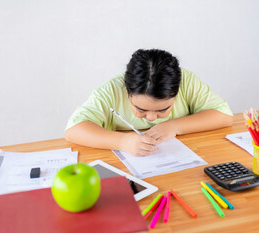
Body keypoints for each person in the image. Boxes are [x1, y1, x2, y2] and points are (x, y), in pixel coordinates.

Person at [65, 49, 233, 156]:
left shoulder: (187, 81)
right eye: (141, 109)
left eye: (163, 109)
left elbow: (224, 115)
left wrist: (174, 126)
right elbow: (73, 130)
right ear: (127, 90)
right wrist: (122, 142)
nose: (152, 117)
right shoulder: (112, 90)